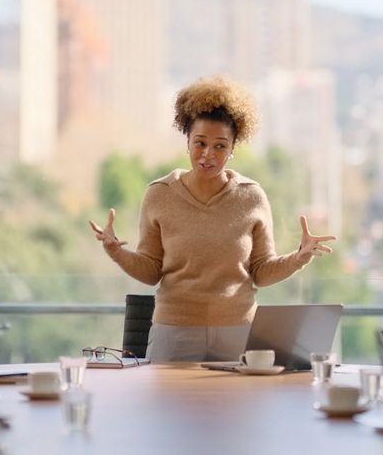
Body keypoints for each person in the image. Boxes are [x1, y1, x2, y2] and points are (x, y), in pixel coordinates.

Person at [89, 77, 335, 362]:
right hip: (174, 331)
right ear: (187, 142)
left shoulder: (251, 196)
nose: (208, 154)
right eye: (200, 143)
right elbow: (151, 270)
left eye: (220, 146)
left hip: (238, 332)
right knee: (168, 408)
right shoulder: (160, 194)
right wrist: (116, 252)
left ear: (232, 148)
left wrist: (299, 257)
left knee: (234, 408)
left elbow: (261, 271)